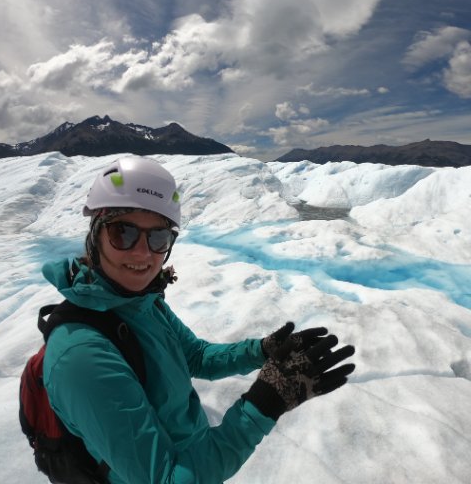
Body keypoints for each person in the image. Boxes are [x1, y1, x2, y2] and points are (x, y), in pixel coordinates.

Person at [42, 155, 355, 484]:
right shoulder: (81, 355)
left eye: (159, 238)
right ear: (96, 234)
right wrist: (265, 403)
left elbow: (195, 356)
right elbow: (168, 478)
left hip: (200, 458)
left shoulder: (140, 304)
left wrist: (261, 350)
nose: (143, 253)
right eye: (124, 233)